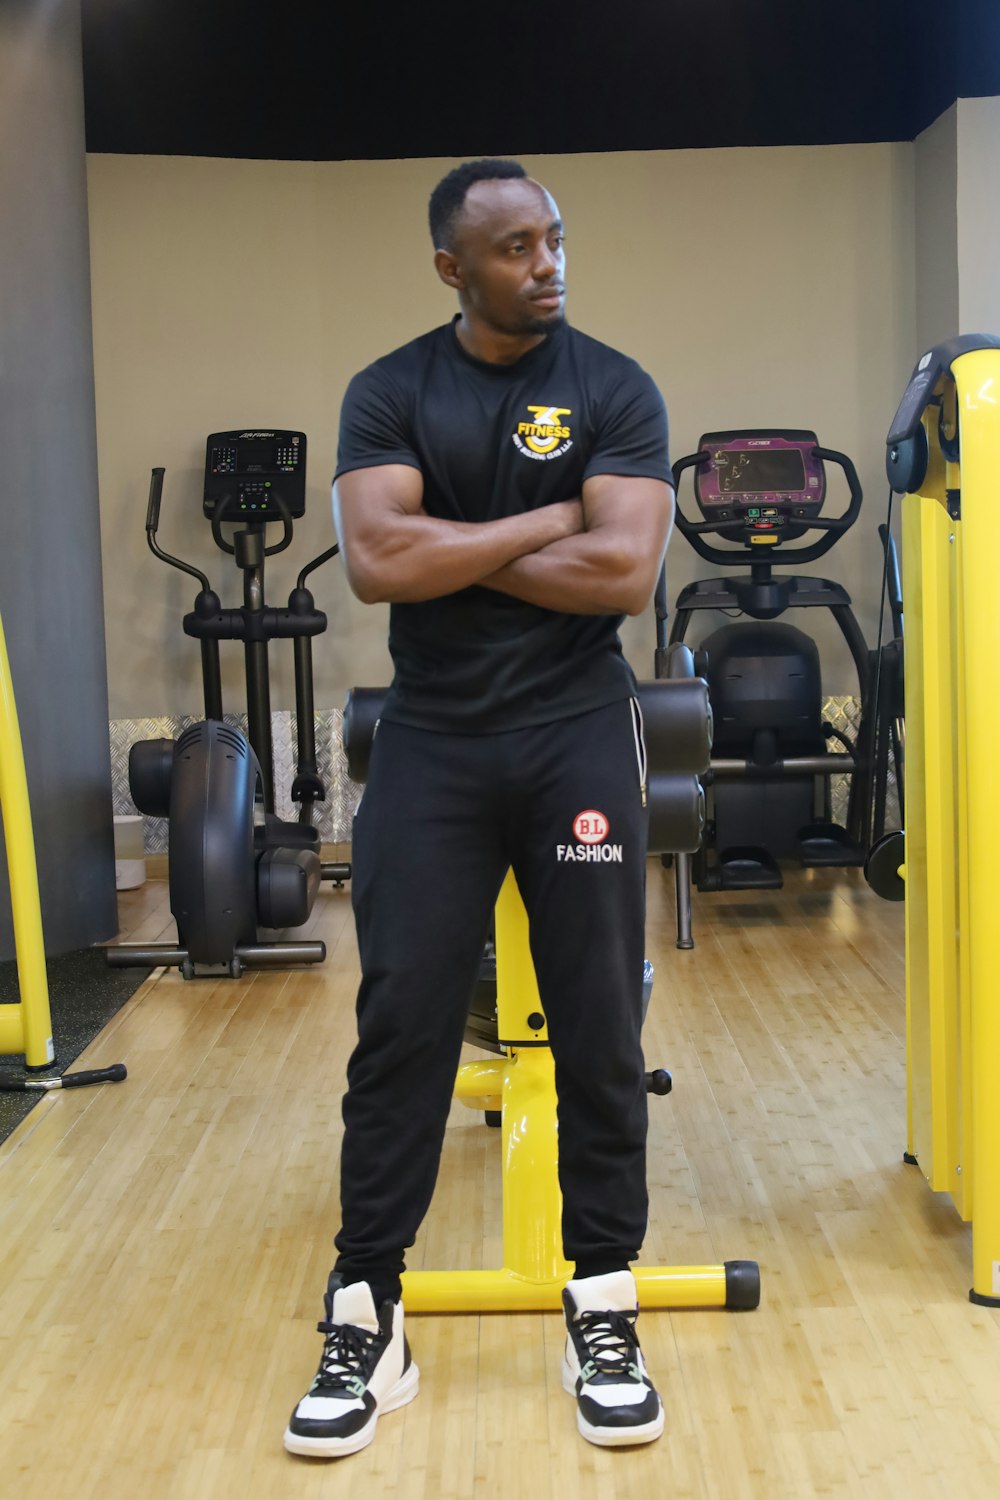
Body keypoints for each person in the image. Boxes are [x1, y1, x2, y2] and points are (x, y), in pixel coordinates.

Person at [284, 158, 674, 1459]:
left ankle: (602, 1301)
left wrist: (463, 535)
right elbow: (379, 564)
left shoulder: (614, 386)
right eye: (514, 248)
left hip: (575, 736)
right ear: (453, 266)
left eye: (555, 240)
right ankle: (366, 1311)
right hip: (435, 745)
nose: (547, 263)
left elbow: (622, 573)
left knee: (600, 1020)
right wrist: (540, 520)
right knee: (401, 1025)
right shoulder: (393, 391)